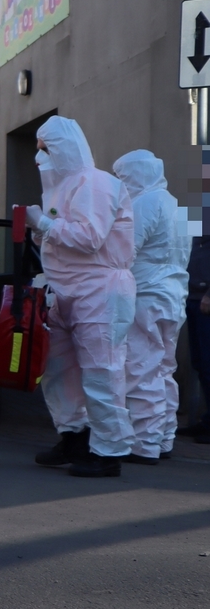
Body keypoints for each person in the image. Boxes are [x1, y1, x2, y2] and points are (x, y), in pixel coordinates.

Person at [28, 117, 136, 477]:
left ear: (66, 148)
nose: (39, 156)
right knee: (58, 371)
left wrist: (43, 224)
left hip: (100, 290)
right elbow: (59, 240)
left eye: (46, 148)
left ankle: (109, 451)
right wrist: (40, 232)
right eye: (39, 147)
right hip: (64, 290)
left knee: (101, 371)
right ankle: (73, 437)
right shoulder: (58, 188)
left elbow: (89, 238)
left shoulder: (96, 183)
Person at [111, 151, 190, 464]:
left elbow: (124, 251)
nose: (121, 184)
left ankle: (144, 445)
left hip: (145, 296)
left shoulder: (144, 203)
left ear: (134, 174)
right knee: (163, 370)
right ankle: (164, 438)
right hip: (173, 298)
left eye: (122, 177)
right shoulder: (176, 206)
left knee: (141, 369)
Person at [185, 238, 210, 442]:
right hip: (192, 297)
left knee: (208, 364)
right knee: (200, 363)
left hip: (205, 301)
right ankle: (207, 421)